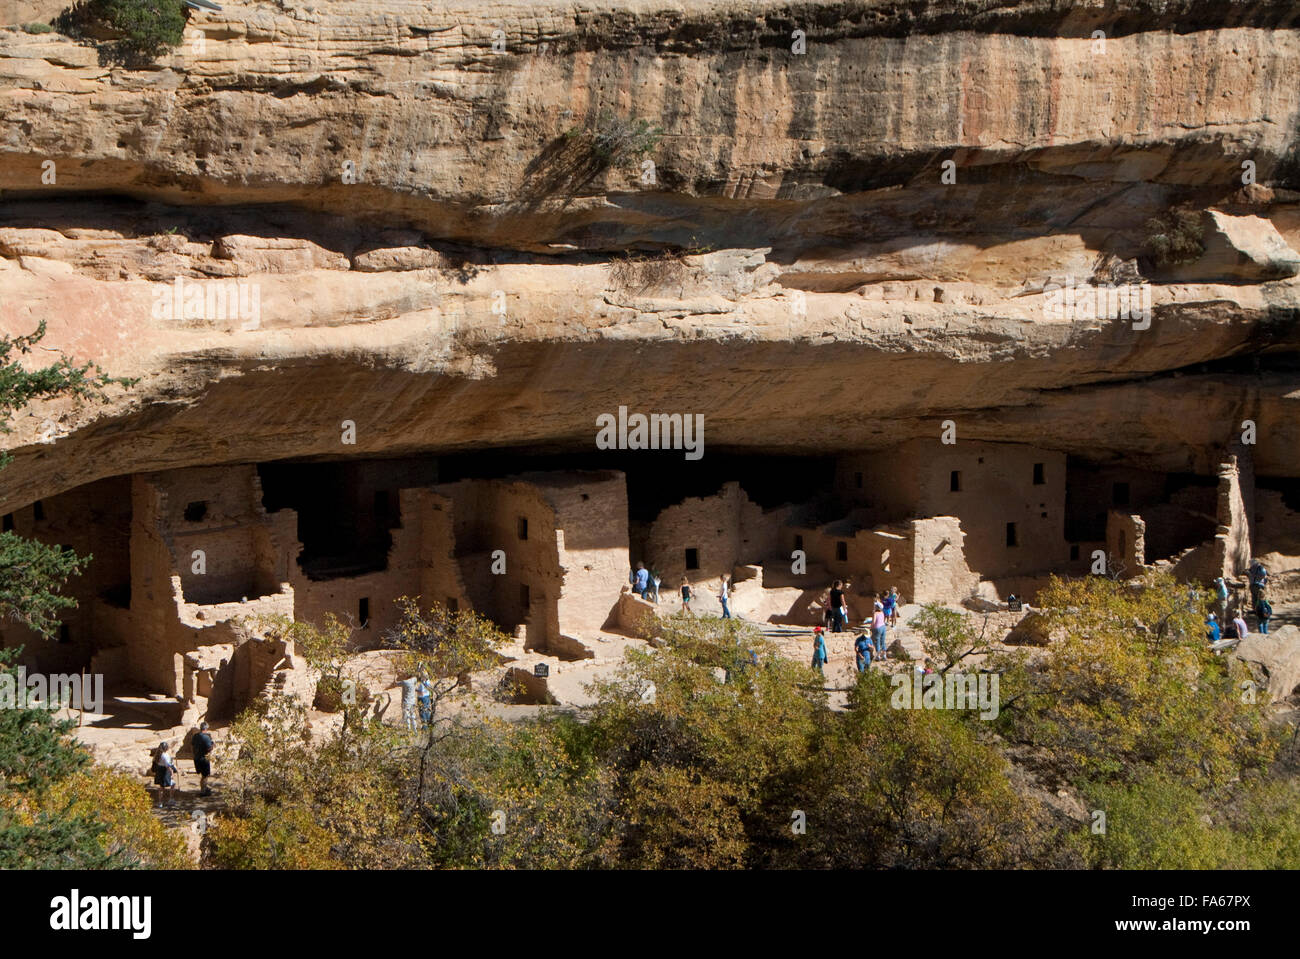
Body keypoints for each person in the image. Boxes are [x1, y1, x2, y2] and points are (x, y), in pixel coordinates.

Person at [191, 721, 214, 797]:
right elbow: (209, 748)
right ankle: (203, 791)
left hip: (196, 758)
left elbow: (192, 745)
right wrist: (212, 745)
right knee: (205, 775)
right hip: (204, 758)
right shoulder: (206, 737)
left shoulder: (195, 736)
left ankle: (204, 788)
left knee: (202, 775)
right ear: (206, 728)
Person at [152, 741, 178, 808]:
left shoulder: (157, 755)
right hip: (164, 772)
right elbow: (168, 766)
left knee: (161, 787)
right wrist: (172, 774)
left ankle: (160, 803)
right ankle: (171, 799)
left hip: (159, 772)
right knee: (173, 784)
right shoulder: (165, 755)